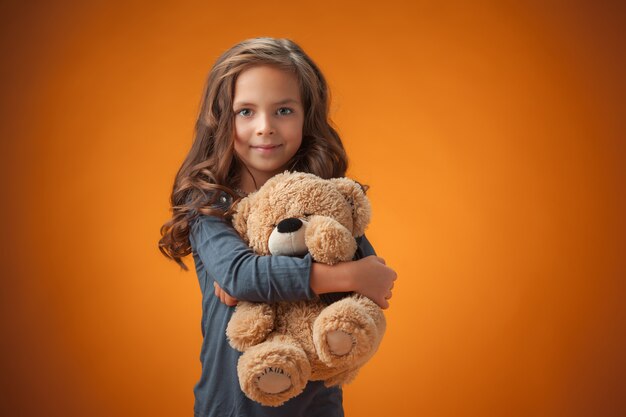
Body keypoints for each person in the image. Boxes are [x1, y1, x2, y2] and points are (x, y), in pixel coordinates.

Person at [159, 37, 397, 417]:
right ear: (221, 118)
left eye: (283, 110)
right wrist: (344, 274)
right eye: (246, 112)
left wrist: (349, 275)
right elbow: (240, 275)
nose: (265, 127)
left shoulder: (320, 196)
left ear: (307, 116)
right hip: (232, 406)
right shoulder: (210, 204)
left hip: (316, 406)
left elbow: (375, 279)